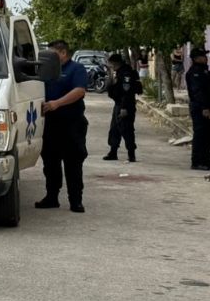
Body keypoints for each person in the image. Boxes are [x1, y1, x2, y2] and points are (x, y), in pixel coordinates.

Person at [37, 39, 90, 213]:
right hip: (50, 124)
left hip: (71, 124)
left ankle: (75, 200)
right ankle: (51, 197)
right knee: (50, 163)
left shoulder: (76, 69)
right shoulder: (46, 70)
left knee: (73, 163)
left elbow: (79, 91)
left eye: (52, 55)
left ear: (63, 53)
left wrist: (57, 103)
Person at [185, 47, 210, 171]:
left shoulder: (204, 71)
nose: (206, 58)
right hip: (200, 107)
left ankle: (206, 160)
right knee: (200, 135)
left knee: (209, 135)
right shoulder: (195, 73)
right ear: (197, 59)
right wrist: (204, 107)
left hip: (208, 106)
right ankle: (197, 162)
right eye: (203, 56)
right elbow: (198, 92)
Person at [103, 53, 140, 163]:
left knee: (126, 129)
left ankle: (131, 153)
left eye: (110, 63)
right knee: (114, 129)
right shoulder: (119, 73)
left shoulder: (126, 74)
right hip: (118, 104)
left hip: (125, 106)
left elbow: (126, 92)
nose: (109, 66)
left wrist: (124, 108)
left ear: (115, 63)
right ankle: (113, 151)